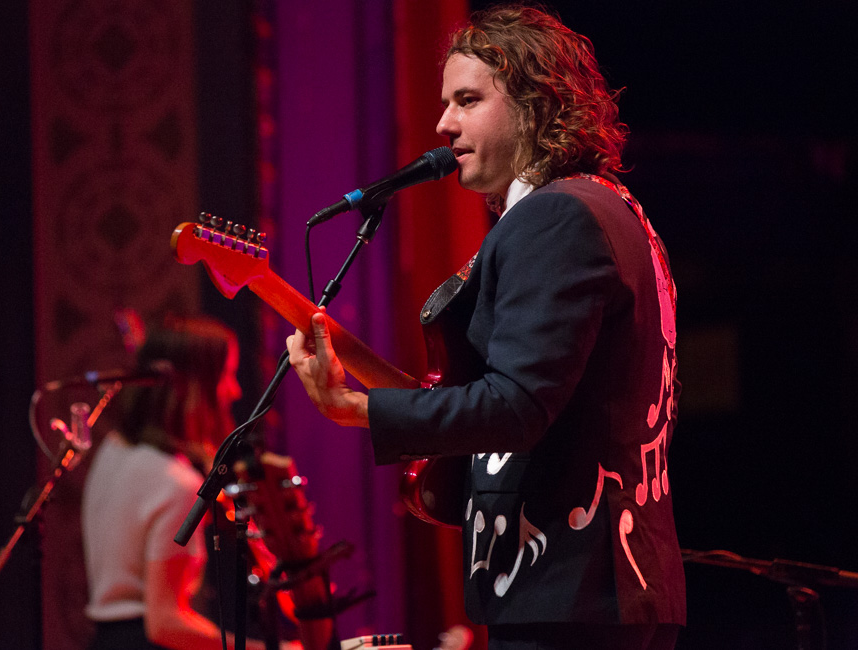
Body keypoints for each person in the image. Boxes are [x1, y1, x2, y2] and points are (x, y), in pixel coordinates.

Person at [287, 4, 685, 649]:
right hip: (608, 585)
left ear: (535, 105)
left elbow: (519, 405)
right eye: (447, 102)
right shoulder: (614, 210)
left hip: (566, 586)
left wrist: (356, 408)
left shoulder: (553, 219)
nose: (443, 123)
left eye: (468, 100)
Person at [82, 314, 257, 650]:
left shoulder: (113, 450)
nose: (235, 391)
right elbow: (164, 624)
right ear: (194, 386)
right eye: (227, 376)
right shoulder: (176, 484)